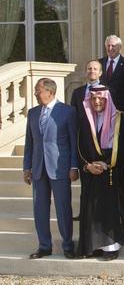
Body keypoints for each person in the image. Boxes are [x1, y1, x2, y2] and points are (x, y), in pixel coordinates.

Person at [23, 78, 78, 259]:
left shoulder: (67, 112)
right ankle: (44, 246)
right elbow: (29, 144)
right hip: (38, 169)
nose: (35, 94)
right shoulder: (32, 113)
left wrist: (73, 166)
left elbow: (73, 141)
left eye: (38, 90)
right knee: (39, 209)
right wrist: (26, 167)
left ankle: (68, 246)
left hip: (60, 168)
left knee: (63, 208)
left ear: (49, 92)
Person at [75, 86, 124, 260]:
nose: (97, 102)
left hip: (111, 171)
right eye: (93, 99)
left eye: (100, 99)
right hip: (90, 172)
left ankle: (110, 248)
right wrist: (88, 166)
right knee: (90, 210)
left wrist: (106, 163)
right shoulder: (84, 121)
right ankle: (91, 247)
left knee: (109, 210)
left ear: (107, 99)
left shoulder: (118, 119)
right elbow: (79, 146)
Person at [99, 35, 124, 111]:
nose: (110, 48)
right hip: (102, 106)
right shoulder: (99, 63)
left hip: (119, 108)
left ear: (119, 47)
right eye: (108, 46)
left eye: (113, 46)